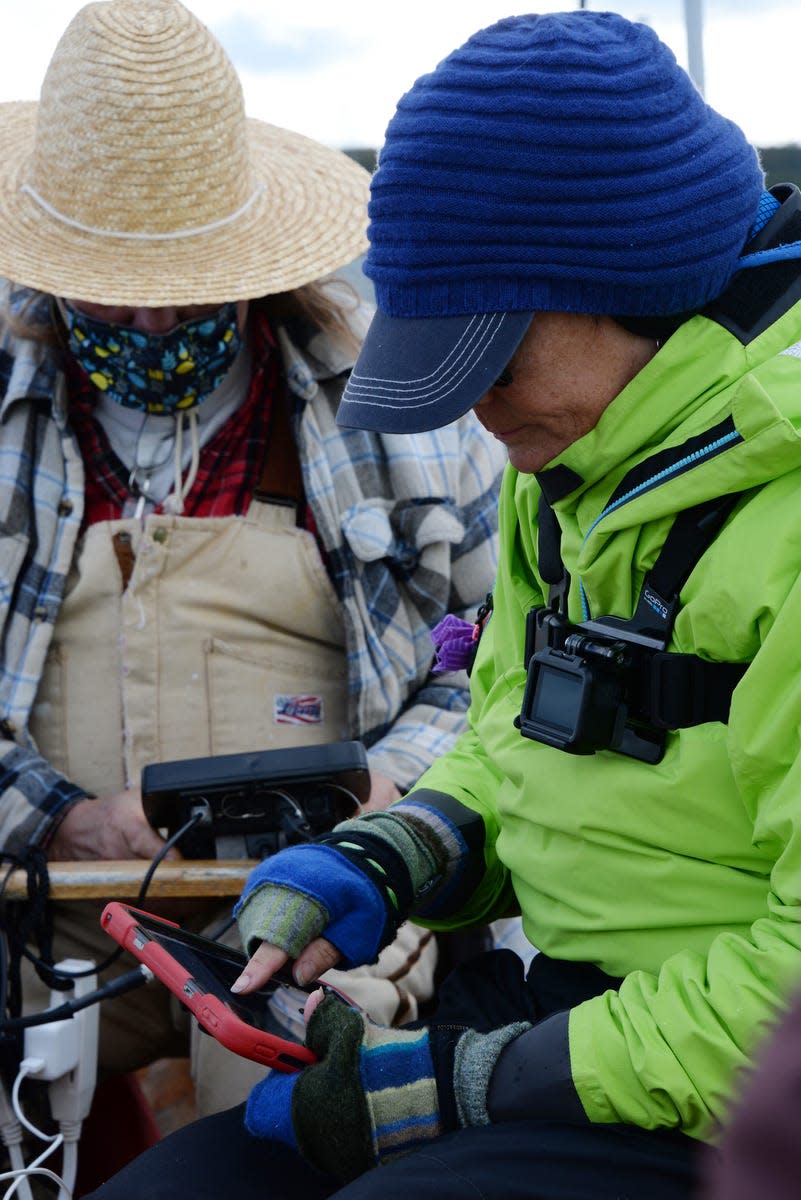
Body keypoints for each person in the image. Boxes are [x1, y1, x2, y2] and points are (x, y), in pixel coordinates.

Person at [81, 9, 801, 1200]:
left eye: (491, 362)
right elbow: (515, 739)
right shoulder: (571, 468)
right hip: (575, 1019)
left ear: (633, 284)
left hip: (727, 1084)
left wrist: (474, 1083)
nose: (474, 416)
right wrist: (385, 859)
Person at [0, 0, 505, 1126]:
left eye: (182, 276)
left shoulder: (402, 407)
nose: (147, 314)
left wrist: (389, 794)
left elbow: (500, 654)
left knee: (291, 1094)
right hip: (51, 901)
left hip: (328, 903)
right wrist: (54, 817)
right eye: (108, 281)